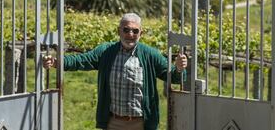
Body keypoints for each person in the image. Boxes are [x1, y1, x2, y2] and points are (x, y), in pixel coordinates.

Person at [43, 13, 187, 130]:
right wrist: (57, 62)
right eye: (126, 29)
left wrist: (180, 68)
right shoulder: (106, 51)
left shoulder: (150, 54)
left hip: (141, 124)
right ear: (119, 30)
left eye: (135, 31)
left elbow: (173, 76)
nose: (130, 34)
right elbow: (81, 60)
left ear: (140, 33)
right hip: (113, 122)